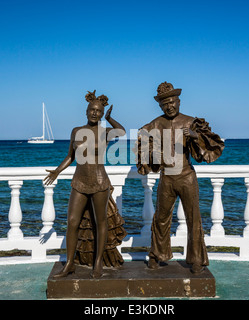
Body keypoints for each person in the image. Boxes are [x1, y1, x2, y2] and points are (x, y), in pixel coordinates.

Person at [135, 82, 225, 273]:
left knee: (193, 218)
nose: (170, 106)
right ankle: (156, 255)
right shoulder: (155, 124)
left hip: (186, 176)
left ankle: (197, 259)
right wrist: (152, 148)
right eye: (165, 104)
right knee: (160, 217)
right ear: (160, 106)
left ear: (179, 101)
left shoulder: (191, 122)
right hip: (166, 177)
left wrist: (194, 136)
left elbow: (209, 150)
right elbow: (142, 145)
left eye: (172, 102)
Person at [44, 90, 127, 278]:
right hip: (79, 182)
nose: (94, 113)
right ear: (86, 111)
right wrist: (57, 170)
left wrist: (110, 118)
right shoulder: (76, 131)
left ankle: (97, 263)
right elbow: (70, 156)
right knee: (72, 222)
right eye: (92, 110)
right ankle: (70, 264)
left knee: (100, 222)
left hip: (99, 182)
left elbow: (121, 131)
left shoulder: (105, 132)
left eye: (98, 111)